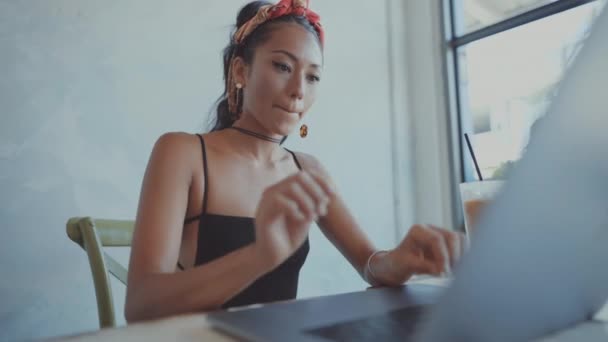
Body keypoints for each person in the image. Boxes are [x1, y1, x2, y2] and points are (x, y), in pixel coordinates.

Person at [125, 0, 465, 323]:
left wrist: (400, 261)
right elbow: (141, 304)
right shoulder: (183, 152)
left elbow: (369, 264)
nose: (299, 90)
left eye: (313, 76)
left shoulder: (307, 170)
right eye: (283, 66)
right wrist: (260, 256)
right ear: (241, 70)